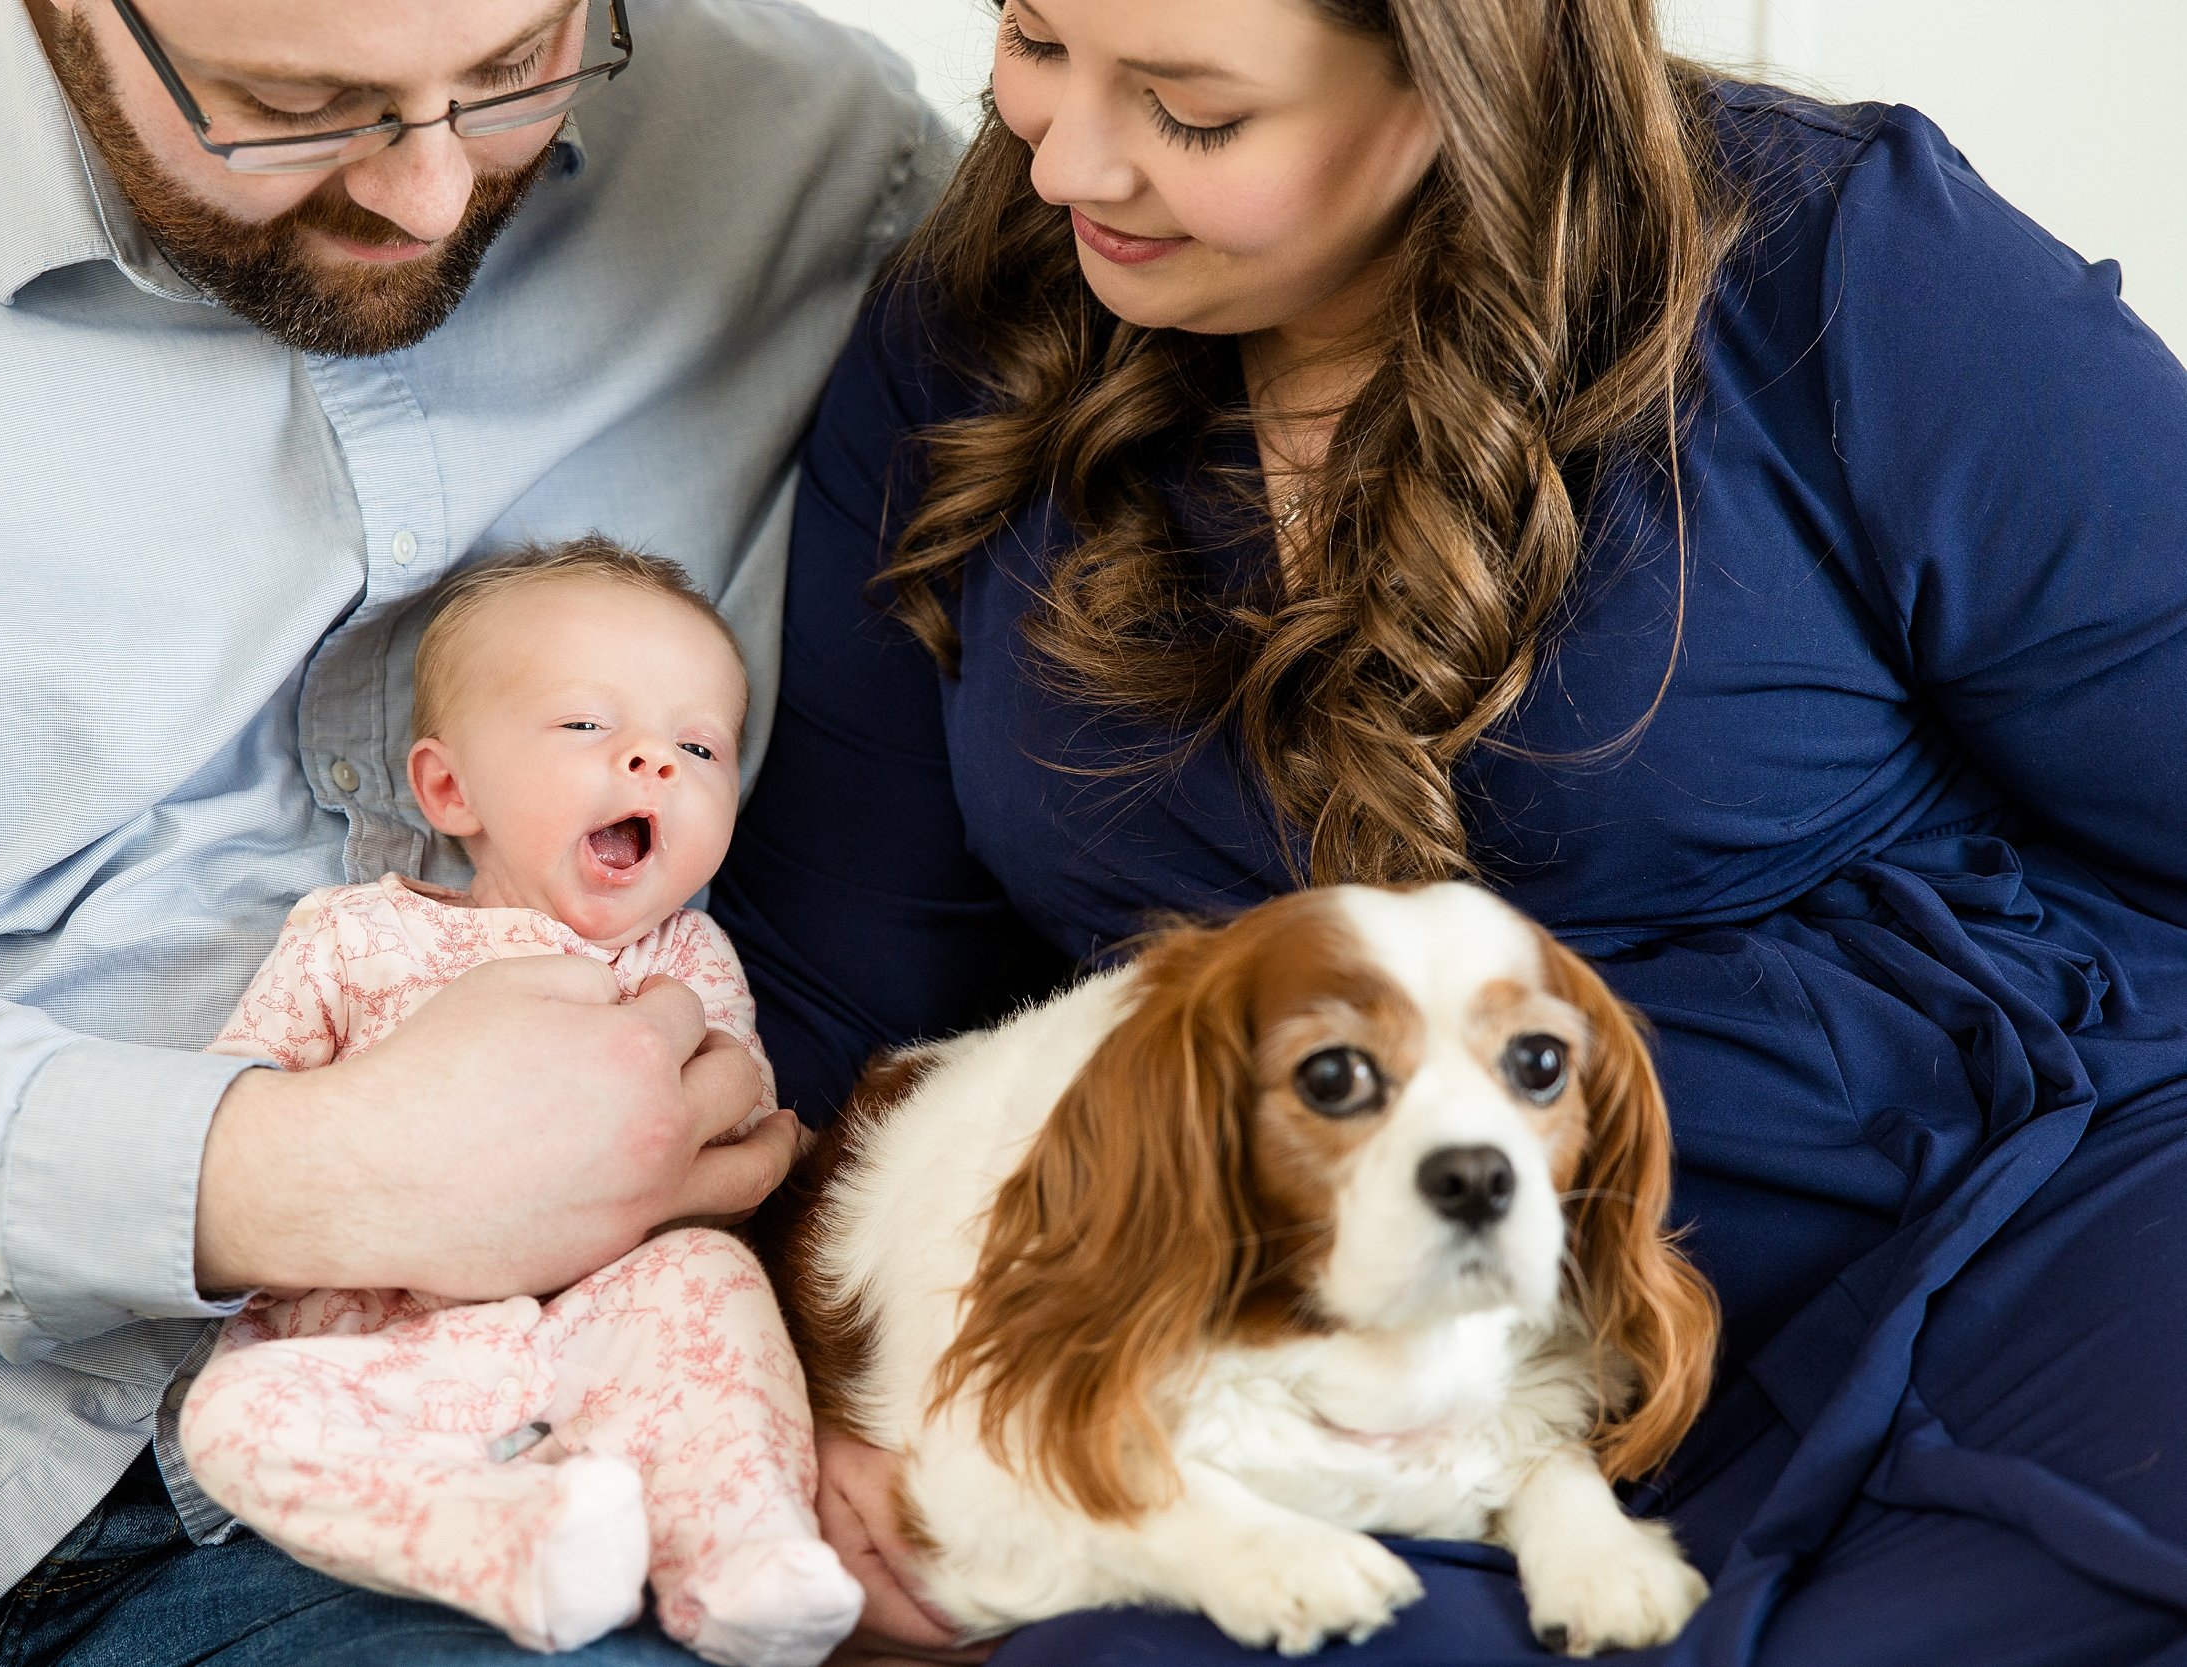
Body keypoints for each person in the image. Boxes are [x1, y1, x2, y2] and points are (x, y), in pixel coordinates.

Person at [709, 0, 2187, 1661]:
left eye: (1192, 112)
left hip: (2010, 1197)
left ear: (1460, 72)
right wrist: (779, 1397)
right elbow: (838, 994)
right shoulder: (976, 325)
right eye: (1036, 39)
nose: (1061, 157)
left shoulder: (1840, 261)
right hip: (1310, 1342)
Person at [0, 0, 947, 1655]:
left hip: (503, 1472)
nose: (429, 195)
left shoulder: (829, 172)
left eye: (515, 76)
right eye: (290, 105)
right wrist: (308, 1174)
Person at [181, 543, 862, 1666]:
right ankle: (509, 1540)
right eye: (587, 726)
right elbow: (235, 1104)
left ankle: (742, 1551)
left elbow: (721, 1153)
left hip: (599, 1340)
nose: (652, 759)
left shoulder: (689, 957)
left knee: (712, 1282)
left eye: (699, 746)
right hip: (386, 1353)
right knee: (233, 1417)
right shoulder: (357, 935)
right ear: (451, 788)